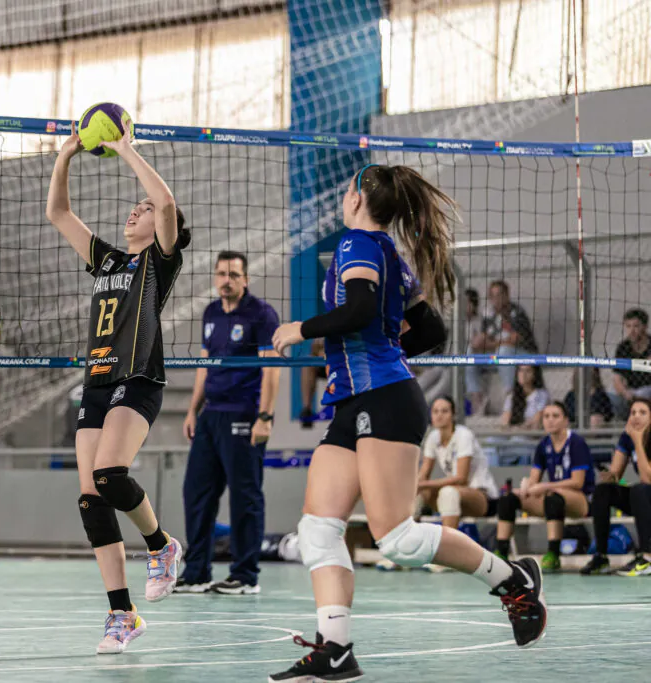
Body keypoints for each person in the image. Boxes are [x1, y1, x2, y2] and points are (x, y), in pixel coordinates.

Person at [268, 164, 545, 682]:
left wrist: (301, 329)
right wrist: (384, 350)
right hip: (355, 401)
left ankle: (512, 579)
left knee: (398, 539)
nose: (344, 196)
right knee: (318, 529)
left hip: (384, 400)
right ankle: (335, 648)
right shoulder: (389, 253)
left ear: (356, 198)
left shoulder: (358, 244)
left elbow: (359, 309)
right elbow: (431, 329)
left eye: (347, 189)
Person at [46, 123, 190, 654]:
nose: (137, 210)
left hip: (139, 379)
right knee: (91, 499)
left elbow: (167, 204)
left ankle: (161, 546)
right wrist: (66, 154)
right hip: (98, 381)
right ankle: (121, 614)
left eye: (143, 210)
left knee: (109, 475)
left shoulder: (160, 261)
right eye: (135, 207)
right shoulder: (107, 260)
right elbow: (58, 213)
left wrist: (126, 149)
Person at [178, 250, 280, 595]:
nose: (226, 280)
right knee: (196, 492)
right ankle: (196, 573)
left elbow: (272, 369)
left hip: (244, 413)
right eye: (221, 274)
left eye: (233, 274)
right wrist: (193, 410)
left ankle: (245, 575)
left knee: (244, 496)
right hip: (212, 415)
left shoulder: (262, 314)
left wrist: (265, 416)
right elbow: (204, 366)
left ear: (245, 279)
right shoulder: (210, 312)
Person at [377, 396, 499, 573]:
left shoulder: (463, 435)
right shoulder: (433, 438)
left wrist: (424, 484)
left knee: (448, 493)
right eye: (435, 411)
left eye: (444, 411)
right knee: (418, 495)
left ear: (453, 415)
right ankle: (400, 554)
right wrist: (411, 488)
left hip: (482, 497)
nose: (439, 415)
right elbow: (423, 474)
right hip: (455, 496)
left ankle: (447, 558)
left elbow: (461, 478)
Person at [495, 401, 594, 572]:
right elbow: (535, 480)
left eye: (555, 416)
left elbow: (578, 482)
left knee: (552, 497)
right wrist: (526, 486)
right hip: (553, 497)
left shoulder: (576, 443)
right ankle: (501, 552)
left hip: (580, 499)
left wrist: (545, 486)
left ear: (566, 420)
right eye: (546, 416)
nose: (550, 420)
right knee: (508, 498)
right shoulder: (543, 445)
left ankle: (553, 554)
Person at [581, 398, 651, 576]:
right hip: (645, 498)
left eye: (642, 413)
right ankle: (601, 556)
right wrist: (608, 475)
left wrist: (638, 440)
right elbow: (615, 474)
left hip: (646, 491)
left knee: (640, 489)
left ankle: (647, 557)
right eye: (633, 412)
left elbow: (648, 478)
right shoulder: (627, 437)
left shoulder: (637, 438)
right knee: (603, 491)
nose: (636, 416)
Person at [467, 281, 538, 414]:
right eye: (492, 296)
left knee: (504, 350)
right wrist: (478, 343)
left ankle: (510, 396)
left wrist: (490, 344)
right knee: (470, 353)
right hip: (498, 358)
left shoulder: (516, 312)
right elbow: (483, 339)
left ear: (507, 295)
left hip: (524, 357)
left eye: (499, 295)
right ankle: (477, 399)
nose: (496, 299)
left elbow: (514, 339)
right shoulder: (489, 315)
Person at [610, 308, 651, 417]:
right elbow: (617, 378)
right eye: (628, 326)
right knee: (610, 397)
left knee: (643, 393)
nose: (632, 330)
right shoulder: (623, 347)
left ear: (645, 326)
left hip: (647, 390)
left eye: (636, 326)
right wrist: (625, 392)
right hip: (629, 392)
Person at [500, 365, 550, 429]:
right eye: (520, 370)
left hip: (532, 432)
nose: (523, 374)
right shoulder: (511, 395)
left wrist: (518, 428)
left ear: (535, 374)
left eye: (528, 371)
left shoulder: (542, 395)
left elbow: (536, 421)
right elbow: (505, 421)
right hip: (514, 431)